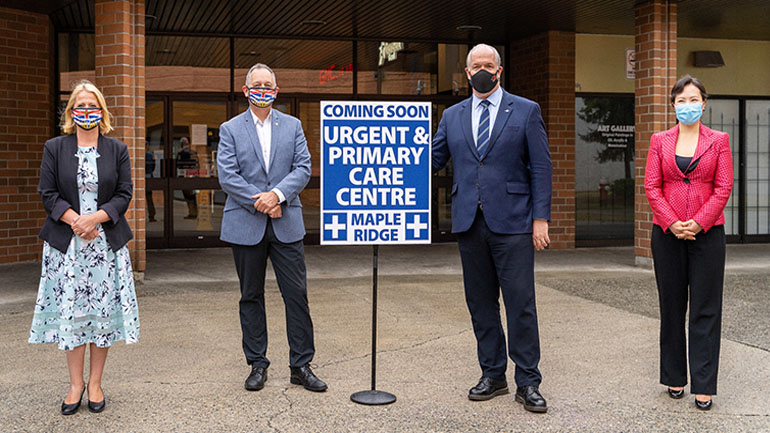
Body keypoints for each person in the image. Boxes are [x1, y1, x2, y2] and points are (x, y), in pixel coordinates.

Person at [432, 44, 552, 413]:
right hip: (469, 222)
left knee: (520, 304)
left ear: (499, 70)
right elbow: (431, 160)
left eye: (489, 65)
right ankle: (493, 374)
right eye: (476, 65)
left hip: (514, 222)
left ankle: (528, 381)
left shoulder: (526, 110)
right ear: (466, 73)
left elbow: (541, 167)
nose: (482, 70)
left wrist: (540, 219)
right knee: (480, 304)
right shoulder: (452, 116)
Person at [29, 80, 139, 415]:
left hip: (105, 246)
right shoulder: (55, 147)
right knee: (73, 317)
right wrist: (76, 220)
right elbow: (47, 192)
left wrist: (96, 220)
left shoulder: (117, 149)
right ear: (71, 111)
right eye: (81, 105)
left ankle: (95, 383)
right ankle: (75, 384)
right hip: (68, 249)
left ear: (102, 112)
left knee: (100, 317)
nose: (87, 111)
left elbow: (125, 192)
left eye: (93, 106)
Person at [217, 63, 326, 392]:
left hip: (286, 223)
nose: (263, 90)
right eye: (257, 85)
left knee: (296, 295)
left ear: (276, 91)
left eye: (268, 85)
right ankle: (257, 363)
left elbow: (303, 167)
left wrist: (277, 194)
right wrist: (260, 200)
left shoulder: (292, 126)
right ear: (246, 90)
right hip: (245, 224)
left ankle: (301, 365)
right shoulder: (230, 129)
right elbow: (227, 175)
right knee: (251, 296)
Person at [644, 75, 733, 411]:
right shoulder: (659, 140)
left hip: (708, 235)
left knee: (705, 308)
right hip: (667, 235)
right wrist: (672, 223)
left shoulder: (719, 140)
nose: (687, 106)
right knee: (671, 306)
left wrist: (698, 222)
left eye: (693, 100)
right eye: (681, 101)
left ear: (704, 103)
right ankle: (674, 377)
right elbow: (652, 186)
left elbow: (723, 187)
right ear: (673, 105)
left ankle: (704, 384)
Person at [176, 137, 198, 219]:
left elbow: (178, 164)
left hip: (185, 176)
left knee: (188, 196)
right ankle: (194, 212)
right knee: (193, 195)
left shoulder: (181, 153)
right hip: (193, 176)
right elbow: (197, 164)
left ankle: (192, 213)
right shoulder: (194, 152)